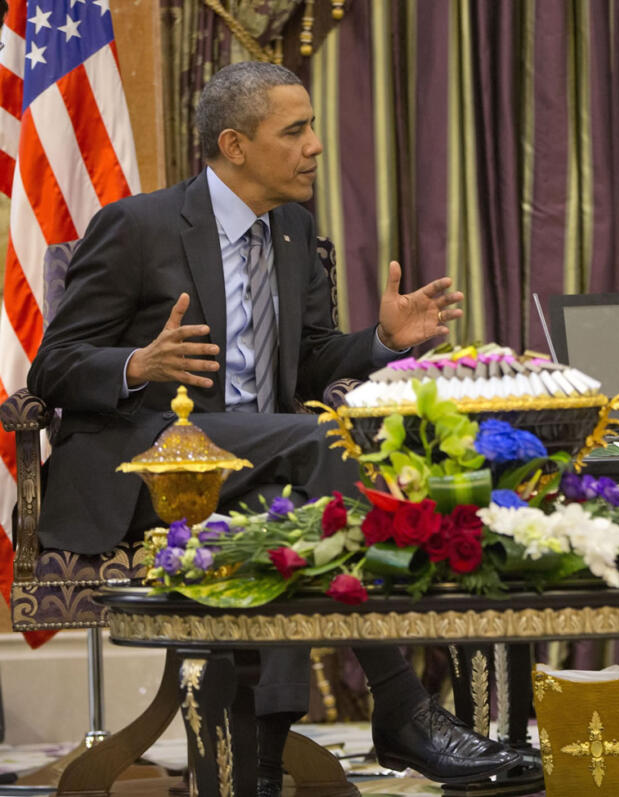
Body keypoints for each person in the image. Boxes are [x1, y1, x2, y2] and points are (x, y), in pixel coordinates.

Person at [27, 62, 518, 795]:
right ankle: (406, 708)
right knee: (321, 447)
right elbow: (53, 367)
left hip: (261, 464)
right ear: (234, 144)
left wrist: (382, 341)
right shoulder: (139, 227)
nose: (315, 145)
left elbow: (315, 362)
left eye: (312, 126)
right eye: (296, 130)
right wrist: (139, 362)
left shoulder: (291, 230)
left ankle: (255, 768)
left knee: (283, 510)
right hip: (153, 468)